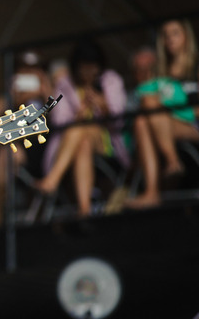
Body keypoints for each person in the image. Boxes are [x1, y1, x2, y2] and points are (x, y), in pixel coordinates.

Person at [36, 39, 130, 217]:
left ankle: (51, 181)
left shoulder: (110, 81)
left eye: (92, 67)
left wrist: (104, 107)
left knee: (79, 130)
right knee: (82, 141)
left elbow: (119, 121)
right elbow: (58, 121)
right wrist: (80, 112)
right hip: (70, 146)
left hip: (106, 142)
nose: (88, 72)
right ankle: (84, 209)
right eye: (84, 67)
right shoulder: (65, 83)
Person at [124, 21, 199, 209]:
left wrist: (178, 110)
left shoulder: (196, 67)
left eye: (175, 33)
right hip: (162, 124)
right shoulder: (159, 70)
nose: (170, 39)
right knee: (141, 120)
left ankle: (172, 164)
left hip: (193, 124)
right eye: (166, 35)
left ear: (187, 37)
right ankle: (153, 191)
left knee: (150, 106)